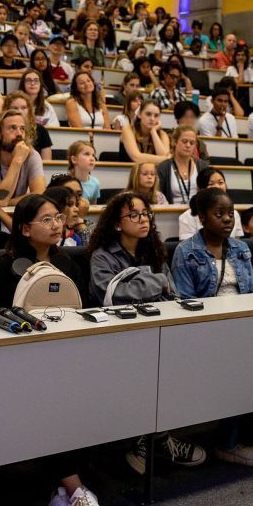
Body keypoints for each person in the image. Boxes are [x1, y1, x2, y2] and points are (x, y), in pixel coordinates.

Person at [0, 193, 112, 506]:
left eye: (58, 218)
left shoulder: (69, 265)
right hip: (15, 368)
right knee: (48, 400)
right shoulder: (4, 268)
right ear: (24, 229)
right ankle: (77, 491)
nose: (56, 225)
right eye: (46, 219)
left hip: (64, 362)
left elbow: (85, 313)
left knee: (77, 395)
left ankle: (60, 496)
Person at [88, 191, 207, 474]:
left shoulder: (152, 250)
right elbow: (111, 295)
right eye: (134, 215)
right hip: (119, 336)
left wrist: (148, 283)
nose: (143, 219)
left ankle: (154, 440)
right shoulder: (102, 256)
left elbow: (172, 292)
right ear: (117, 223)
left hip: (158, 328)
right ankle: (153, 440)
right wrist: (154, 281)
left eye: (145, 214)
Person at [171, 186, 253, 466]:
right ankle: (230, 443)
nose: (228, 219)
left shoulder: (241, 248)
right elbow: (184, 303)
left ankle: (249, 433)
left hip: (242, 326)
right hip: (206, 331)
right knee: (243, 366)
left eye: (231, 214)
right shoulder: (186, 251)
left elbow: (252, 293)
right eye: (219, 214)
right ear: (202, 218)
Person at [0, 108, 46, 207]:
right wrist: (17, 160)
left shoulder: (32, 155)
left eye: (22, 128)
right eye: (12, 128)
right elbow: (0, 199)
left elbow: (39, 194)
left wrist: (9, 203)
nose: (19, 133)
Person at [177, 166, 243, 240]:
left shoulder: (235, 214)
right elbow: (187, 247)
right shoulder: (187, 217)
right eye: (211, 184)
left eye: (220, 182)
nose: (217, 187)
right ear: (200, 189)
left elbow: (237, 245)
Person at [156, 126, 207, 207]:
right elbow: (159, 197)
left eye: (192, 143)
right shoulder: (163, 167)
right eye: (184, 141)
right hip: (170, 214)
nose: (188, 145)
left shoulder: (203, 166)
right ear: (174, 142)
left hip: (198, 212)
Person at [2, 91, 54, 160]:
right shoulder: (1, 128)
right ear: (7, 110)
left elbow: (46, 164)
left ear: (29, 110)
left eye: (23, 108)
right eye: (15, 108)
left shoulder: (41, 131)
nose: (20, 111)